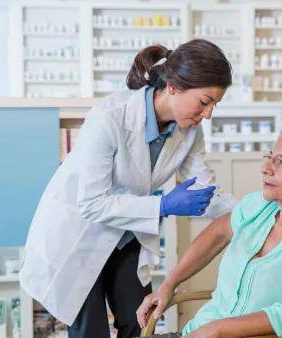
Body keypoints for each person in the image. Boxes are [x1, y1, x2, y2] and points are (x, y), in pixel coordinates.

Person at [19, 39, 237, 338]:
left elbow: (206, 190)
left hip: (127, 235)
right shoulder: (108, 117)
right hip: (79, 235)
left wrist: (257, 213)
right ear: (173, 86)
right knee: (91, 332)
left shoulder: (189, 130)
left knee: (140, 322)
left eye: (215, 104)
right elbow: (92, 203)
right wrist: (163, 206)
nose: (209, 113)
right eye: (204, 101)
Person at [137, 122, 282, 338]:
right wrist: (169, 283)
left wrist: (219, 330)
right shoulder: (259, 206)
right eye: (269, 157)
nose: (265, 168)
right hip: (196, 332)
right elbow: (219, 232)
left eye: (281, 161)